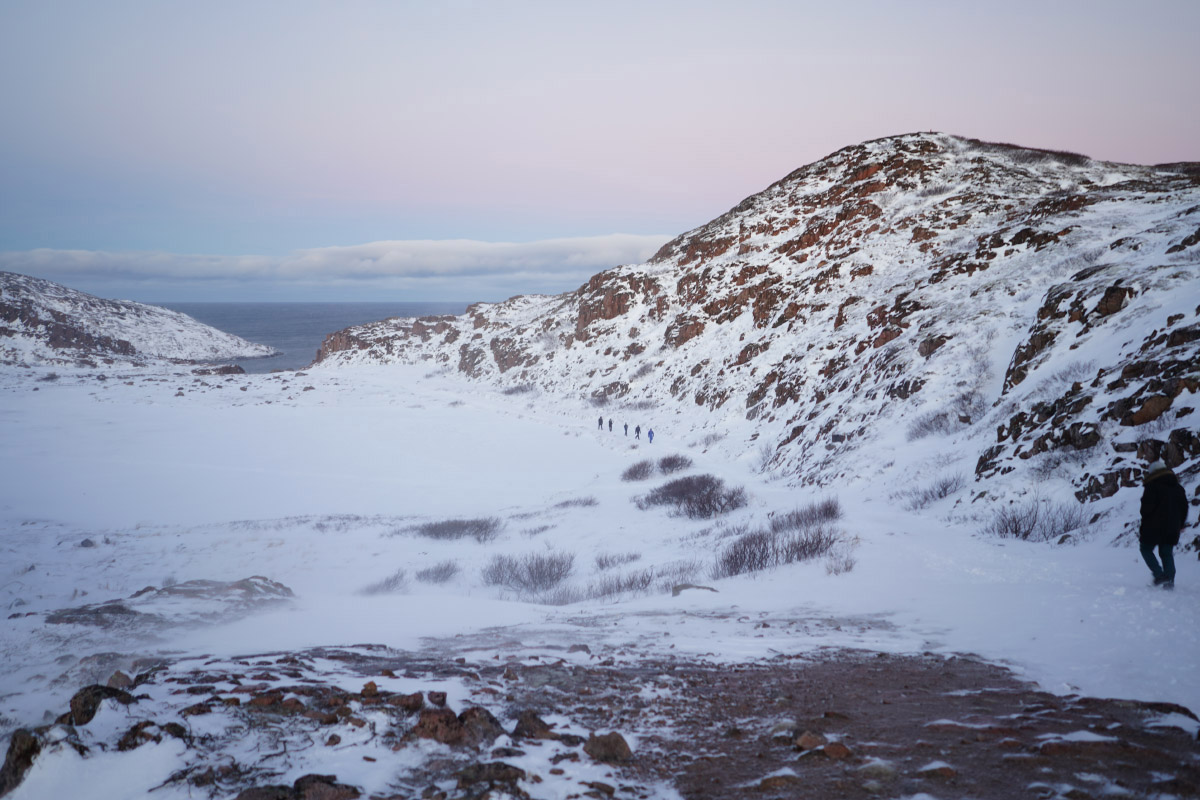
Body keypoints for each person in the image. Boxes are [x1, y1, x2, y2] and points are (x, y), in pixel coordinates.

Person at [1139, 459, 1188, 589]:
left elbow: (1145, 509)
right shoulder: (1178, 488)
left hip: (1153, 527)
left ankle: (1159, 575)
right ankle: (1169, 582)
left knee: (1145, 549)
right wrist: (1180, 524)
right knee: (1166, 553)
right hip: (1173, 527)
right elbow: (1184, 507)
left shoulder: (1152, 486)